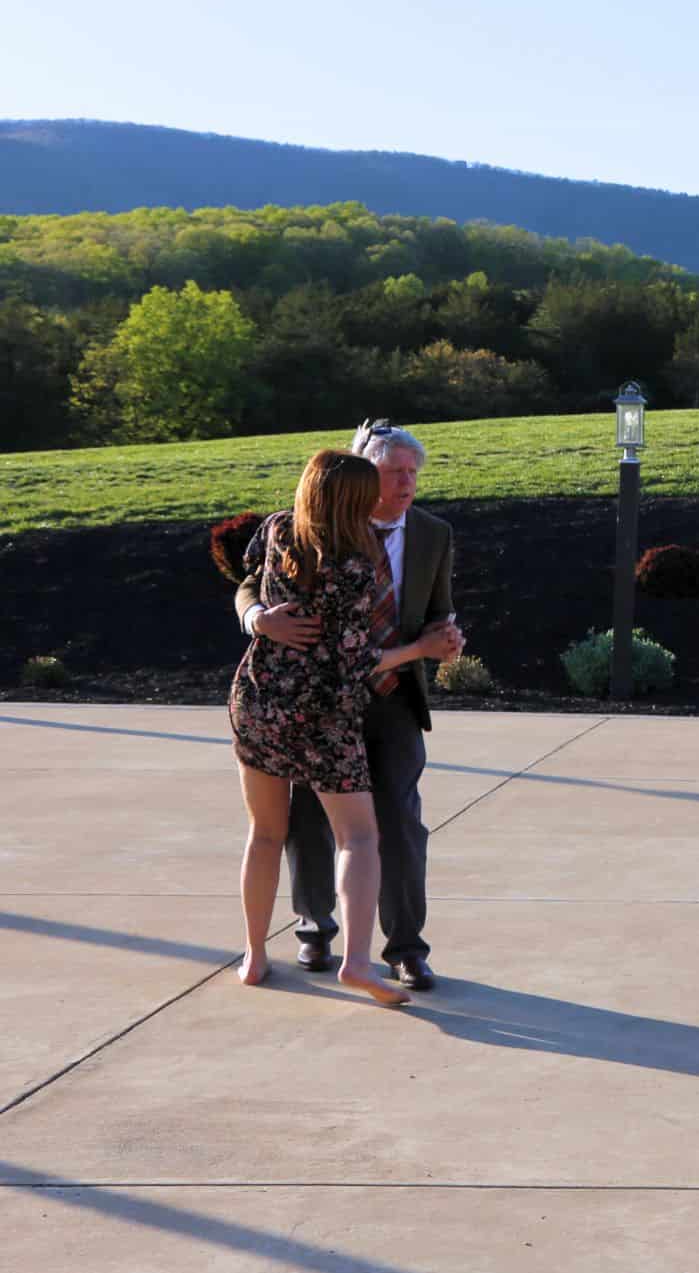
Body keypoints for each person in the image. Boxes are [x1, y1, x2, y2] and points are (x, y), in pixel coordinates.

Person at [236, 420, 461, 991]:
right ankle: (318, 933)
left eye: (413, 473)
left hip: (367, 701)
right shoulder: (336, 548)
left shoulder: (432, 534)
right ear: (360, 480)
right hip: (328, 707)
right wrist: (255, 617)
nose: (405, 484)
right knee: (314, 826)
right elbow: (249, 584)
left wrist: (444, 640)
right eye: (391, 474)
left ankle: (404, 948)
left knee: (400, 823)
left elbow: (439, 608)